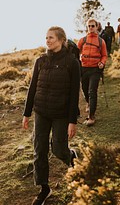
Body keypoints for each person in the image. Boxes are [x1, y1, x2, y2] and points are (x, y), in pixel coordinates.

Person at [22, 26, 80, 205]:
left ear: (62, 40)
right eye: (46, 37)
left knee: (58, 149)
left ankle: (72, 158)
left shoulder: (72, 62)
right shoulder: (40, 61)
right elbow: (32, 88)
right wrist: (27, 113)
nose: (48, 40)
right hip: (41, 112)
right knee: (39, 149)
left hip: (61, 114)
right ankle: (44, 188)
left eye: (52, 38)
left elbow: (74, 95)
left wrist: (72, 121)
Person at [77, 18, 107, 126]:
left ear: (96, 27)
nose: (91, 28)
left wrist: (102, 63)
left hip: (95, 69)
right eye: (89, 26)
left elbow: (104, 55)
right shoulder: (82, 40)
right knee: (85, 89)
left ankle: (91, 116)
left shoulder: (101, 41)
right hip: (84, 68)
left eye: (93, 26)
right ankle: (89, 103)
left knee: (92, 91)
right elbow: (76, 51)